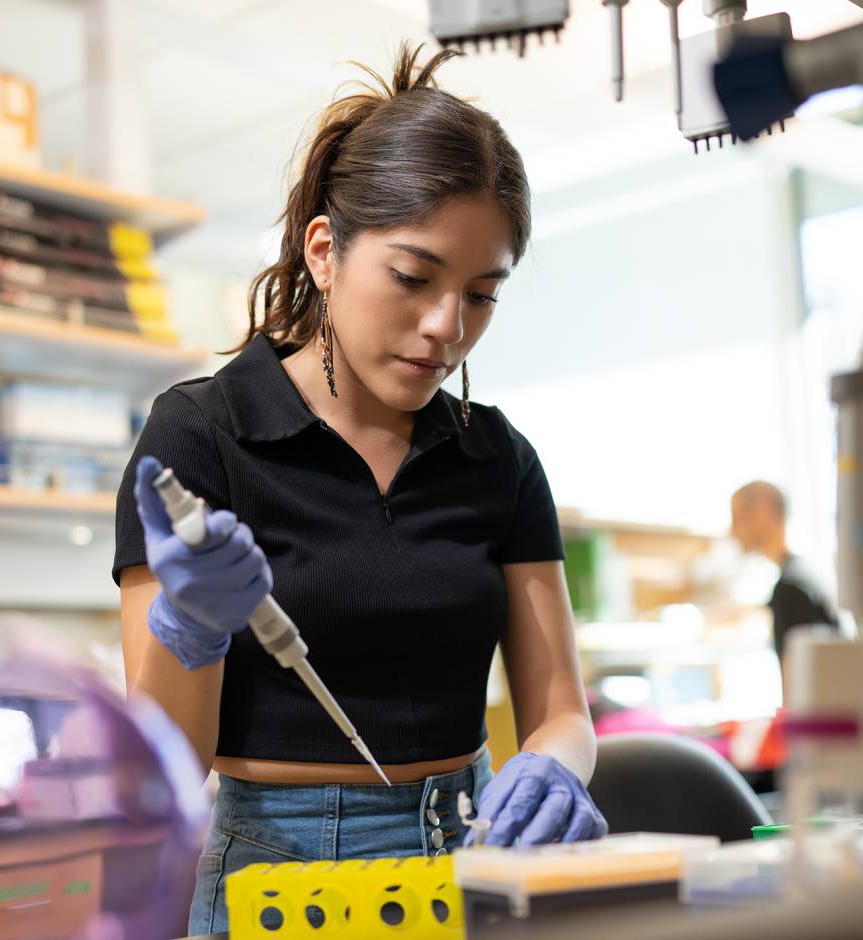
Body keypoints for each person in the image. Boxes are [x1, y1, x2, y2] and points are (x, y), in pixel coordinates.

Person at [113, 45, 605, 936]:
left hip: (473, 852)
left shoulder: (498, 458)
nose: (446, 330)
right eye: (414, 278)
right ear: (326, 250)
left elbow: (561, 711)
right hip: (280, 877)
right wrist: (189, 630)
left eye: (482, 295)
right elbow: (164, 776)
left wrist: (561, 769)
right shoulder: (203, 436)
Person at [730, 481, 838, 662]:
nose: (732, 531)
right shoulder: (802, 574)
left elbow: (798, 680)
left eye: (737, 517)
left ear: (765, 512)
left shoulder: (790, 589)